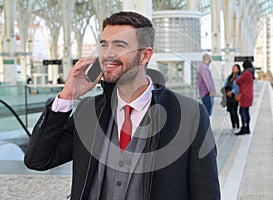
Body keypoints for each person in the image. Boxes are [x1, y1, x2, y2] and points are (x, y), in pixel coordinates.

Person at [24, 11, 220, 199]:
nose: (108, 54)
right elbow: (38, 159)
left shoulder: (189, 114)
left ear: (145, 55)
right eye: (104, 45)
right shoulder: (89, 111)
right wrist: (67, 95)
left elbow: (206, 192)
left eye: (119, 45)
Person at [235, 60, 255, 135]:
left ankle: (244, 128)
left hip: (244, 94)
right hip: (249, 94)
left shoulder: (246, 73)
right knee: (246, 111)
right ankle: (247, 128)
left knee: (242, 111)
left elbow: (238, 81)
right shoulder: (251, 73)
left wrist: (238, 76)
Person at [223, 64, 241, 133]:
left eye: (235, 68)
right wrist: (227, 92)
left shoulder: (239, 77)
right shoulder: (229, 77)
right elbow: (225, 85)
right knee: (230, 111)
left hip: (235, 96)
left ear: (238, 70)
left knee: (234, 111)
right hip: (228, 97)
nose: (234, 69)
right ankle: (233, 126)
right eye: (233, 68)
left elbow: (239, 87)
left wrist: (232, 92)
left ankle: (238, 126)